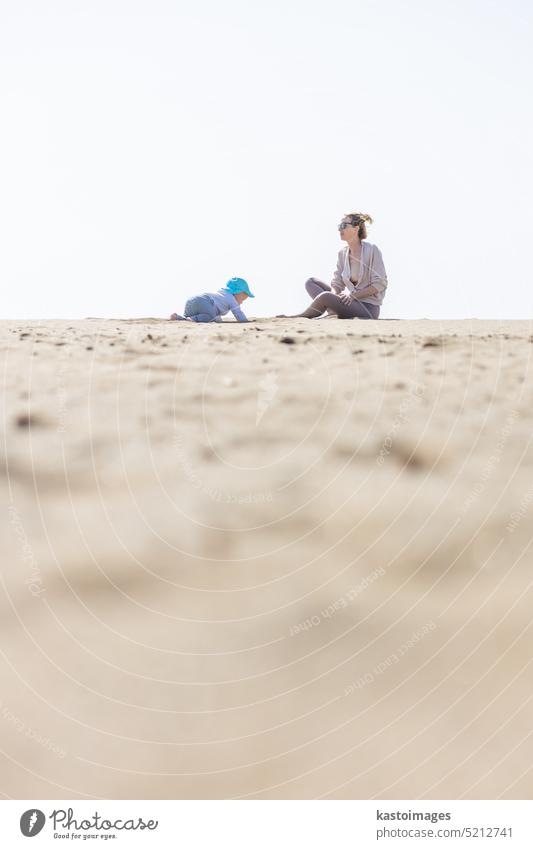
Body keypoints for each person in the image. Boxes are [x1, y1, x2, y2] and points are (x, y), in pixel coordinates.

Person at [279, 213, 387, 319]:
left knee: (325, 296)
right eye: (339, 226)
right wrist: (334, 295)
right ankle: (333, 311)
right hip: (350, 303)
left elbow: (380, 284)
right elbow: (337, 283)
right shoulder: (342, 253)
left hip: (367, 309)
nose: (340, 229)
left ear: (356, 229)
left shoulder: (372, 250)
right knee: (311, 282)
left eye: (343, 226)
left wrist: (352, 296)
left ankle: (300, 316)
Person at [170, 277, 254, 323]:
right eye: (242, 299)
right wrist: (245, 321)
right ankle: (190, 319)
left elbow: (217, 314)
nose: (242, 302)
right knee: (210, 317)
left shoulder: (222, 294)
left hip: (191, 301)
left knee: (210, 316)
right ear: (237, 292)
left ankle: (180, 318)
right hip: (204, 301)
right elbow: (238, 314)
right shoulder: (231, 299)